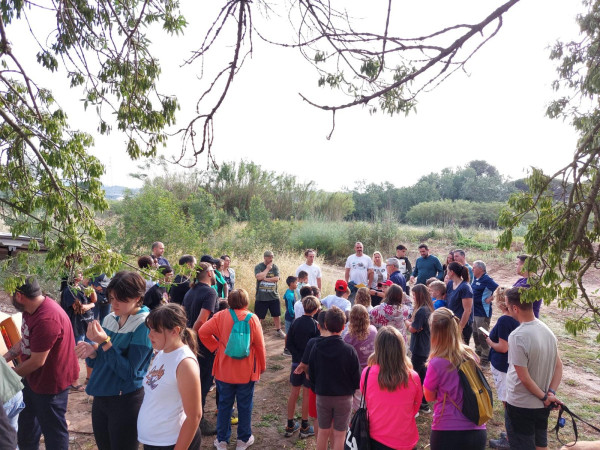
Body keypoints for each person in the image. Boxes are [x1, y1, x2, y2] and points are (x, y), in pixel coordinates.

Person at [74, 271, 154, 450]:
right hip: (101, 396)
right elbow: (101, 360)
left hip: (124, 399)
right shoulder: (110, 318)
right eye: (111, 297)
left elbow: (129, 372)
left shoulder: (144, 324)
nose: (114, 303)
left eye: (121, 299)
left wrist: (104, 342)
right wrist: (92, 352)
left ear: (137, 297)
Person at [3, 277, 79, 450]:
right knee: (27, 428)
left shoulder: (47, 318)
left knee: (54, 432)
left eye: (11, 294)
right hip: (32, 380)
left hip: (51, 383)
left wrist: (6, 376)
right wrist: (4, 359)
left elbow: (37, 361)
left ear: (20, 296)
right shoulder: (29, 309)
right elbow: (25, 340)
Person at [198, 289, 267, 450]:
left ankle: (222, 441)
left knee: (224, 405)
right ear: (246, 302)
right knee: (245, 405)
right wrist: (262, 366)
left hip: (224, 370)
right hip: (246, 372)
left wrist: (216, 347)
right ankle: (243, 440)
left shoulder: (221, 316)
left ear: (229, 301)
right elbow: (260, 345)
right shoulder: (253, 318)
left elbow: (202, 332)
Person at [503, 287, 563, 450]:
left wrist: (545, 397)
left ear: (515, 308)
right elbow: (559, 366)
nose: (508, 310)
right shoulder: (548, 331)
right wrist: (550, 393)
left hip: (521, 405)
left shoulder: (517, 336)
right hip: (541, 406)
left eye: (508, 307)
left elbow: (524, 377)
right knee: (540, 445)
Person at [137, 304, 202, 450]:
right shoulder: (162, 353)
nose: (149, 335)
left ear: (175, 331)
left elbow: (194, 416)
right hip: (156, 441)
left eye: (156, 330)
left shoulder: (185, 364)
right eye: (150, 329)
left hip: (171, 442)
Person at [423, 308, 487, 450]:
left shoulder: (436, 362)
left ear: (434, 331)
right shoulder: (471, 354)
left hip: (447, 429)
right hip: (477, 427)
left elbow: (428, 396)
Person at [308, 306, 360, 450]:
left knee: (323, 432)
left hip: (322, 395)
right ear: (344, 327)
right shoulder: (349, 350)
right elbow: (357, 380)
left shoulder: (316, 348)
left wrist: (317, 388)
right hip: (344, 398)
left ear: (325, 325)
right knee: (340, 434)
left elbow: (311, 373)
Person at [362, 326, 422, 450]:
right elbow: (415, 407)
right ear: (401, 348)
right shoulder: (413, 377)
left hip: (375, 438)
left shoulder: (367, 373)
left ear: (377, 348)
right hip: (406, 439)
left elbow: (367, 399)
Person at [183, 262, 219, 435]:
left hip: (190, 341)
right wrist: (192, 337)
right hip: (202, 343)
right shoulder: (210, 292)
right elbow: (201, 319)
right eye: (213, 270)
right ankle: (199, 420)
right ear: (210, 274)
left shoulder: (191, 291)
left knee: (195, 380)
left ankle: (192, 416)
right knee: (203, 382)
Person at [486, 287, 520, 450]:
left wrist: (489, 342)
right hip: (509, 365)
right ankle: (512, 433)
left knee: (508, 402)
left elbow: (503, 347)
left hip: (503, 365)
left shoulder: (505, 320)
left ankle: (510, 438)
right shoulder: (517, 318)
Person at [284, 296, 320, 439]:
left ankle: (290, 424)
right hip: (309, 365)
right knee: (306, 394)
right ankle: (305, 426)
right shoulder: (315, 325)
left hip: (295, 362)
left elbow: (289, 342)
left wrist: (297, 356)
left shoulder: (295, 322)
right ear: (316, 309)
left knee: (293, 393)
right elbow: (315, 346)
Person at [404, 283, 433, 413]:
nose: (413, 297)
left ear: (419, 295)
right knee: (422, 376)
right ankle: (423, 403)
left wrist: (407, 322)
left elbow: (413, 329)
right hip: (424, 347)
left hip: (420, 348)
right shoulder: (426, 308)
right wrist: (412, 323)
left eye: (414, 295)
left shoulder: (422, 311)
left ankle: (417, 403)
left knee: (415, 377)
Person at [343, 305, 376, 411]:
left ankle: (361, 421)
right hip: (373, 371)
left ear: (351, 319)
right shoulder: (374, 331)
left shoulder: (348, 337)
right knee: (371, 398)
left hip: (357, 374)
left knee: (359, 403)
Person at [471, 260, 499, 367]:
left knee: (482, 334)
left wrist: (490, 299)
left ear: (481, 269)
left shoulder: (487, 279)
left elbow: (499, 289)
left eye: (474, 267)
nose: (472, 269)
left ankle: (486, 357)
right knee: (474, 333)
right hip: (474, 310)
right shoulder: (476, 278)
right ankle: (478, 352)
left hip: (483, 312)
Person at [254, 250, 285, 338]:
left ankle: (278, 330)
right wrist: (267, 269)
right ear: (265, 257)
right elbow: (259, 277)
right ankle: (257, 332)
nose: (271, 259)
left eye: (272, 257)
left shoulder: (275, 267)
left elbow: (276, 278)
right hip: (261, 297)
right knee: (259, 316)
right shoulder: (259, 266)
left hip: (273, 295)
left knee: (276, 314)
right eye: (269, 257)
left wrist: (265, 279)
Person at [445, 261, 474, 344]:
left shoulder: (465, 287)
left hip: (462, 325)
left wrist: (460, 328)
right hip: (451, 322)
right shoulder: (450, 283)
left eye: (447, 271)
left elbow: (467, 310)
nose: (446, 273)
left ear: (452, 272)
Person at [283, 275, 299, 357]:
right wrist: (294, 315)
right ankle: (286, 349)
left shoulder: (290, 292)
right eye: (296, 283)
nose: (297, 284)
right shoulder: (290, 295)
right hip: (290, 317)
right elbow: (290, 308)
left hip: (291, 316)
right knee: (288, 333)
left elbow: (283, 297)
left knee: (291, 333)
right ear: (291, 283)